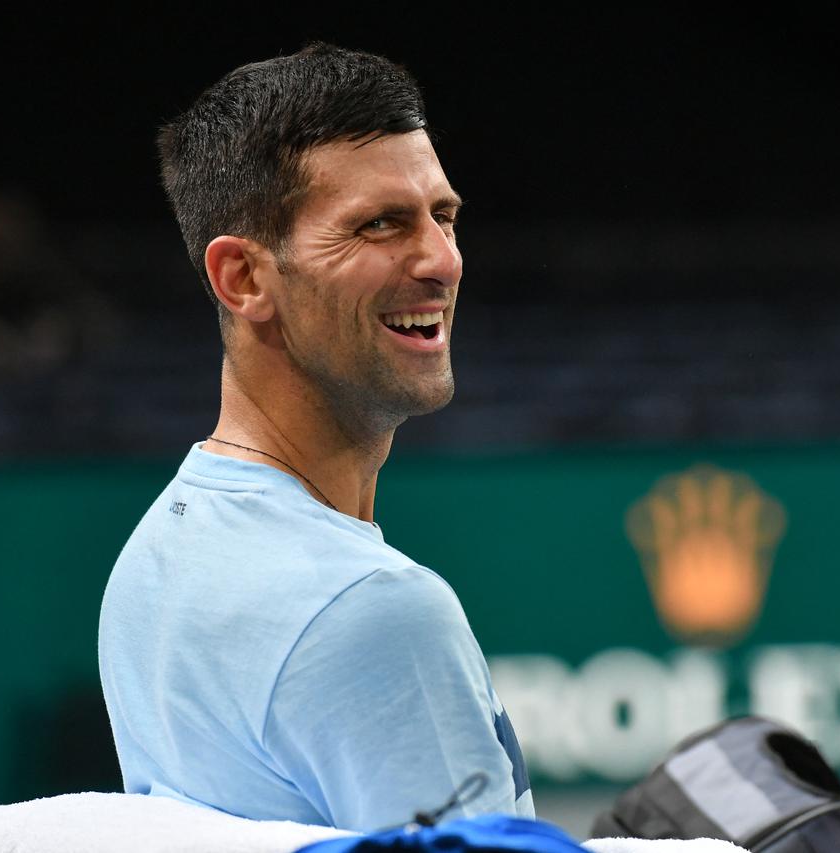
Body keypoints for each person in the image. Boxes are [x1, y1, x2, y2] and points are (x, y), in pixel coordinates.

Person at [98, 42, 532, 833]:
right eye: (379, 224)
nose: (443, 261)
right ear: (243, 278)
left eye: (443, 216)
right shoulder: (373, 610)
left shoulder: (155, 553)